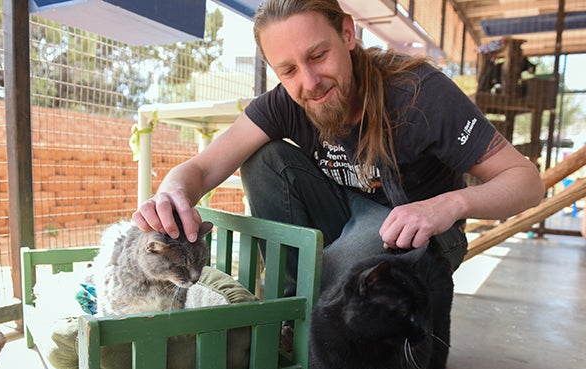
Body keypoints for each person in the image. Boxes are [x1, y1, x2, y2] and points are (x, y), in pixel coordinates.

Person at [132, 0, 544, 290]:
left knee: (338, 272)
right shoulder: (286, 101)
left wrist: (449, 204)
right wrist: (172, 193)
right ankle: (296, 304)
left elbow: (526, 181)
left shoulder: (419, 94)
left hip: (425, 233)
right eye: (288, 69)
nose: (309, 82)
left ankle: (355, 317)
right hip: (350, 214)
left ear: (347, 33)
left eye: (318, 56)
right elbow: (202, 169)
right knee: (265, 158)